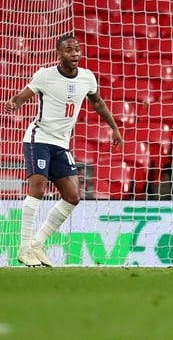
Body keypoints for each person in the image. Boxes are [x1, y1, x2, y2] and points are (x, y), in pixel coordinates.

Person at [5, 34, 123, 267]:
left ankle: (37, 243)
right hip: (38, 139)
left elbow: (97, 102)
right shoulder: (45, 76)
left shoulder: (87, 78)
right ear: (59, 53)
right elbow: (23, 95)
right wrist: (13, 103)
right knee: (37, 188)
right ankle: (23, 248)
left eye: (77, 50)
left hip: (61, 144)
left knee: (72, 197)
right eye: (69, 50)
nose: (75, 54)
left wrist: (114, 127)